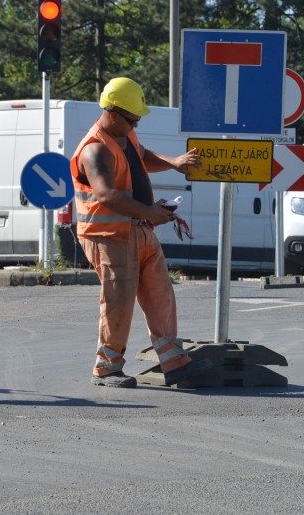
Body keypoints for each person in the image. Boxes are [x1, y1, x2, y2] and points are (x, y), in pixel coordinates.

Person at [70, 77, 213, 388]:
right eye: (132, 119)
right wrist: (150, 212)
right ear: (111, 113)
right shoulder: (94, 150)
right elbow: (107, 195)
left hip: (140, 229)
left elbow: (143, 155)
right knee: (118, 300)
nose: (136, 125)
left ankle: (174, 362)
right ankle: (106, 368)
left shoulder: (125, 136)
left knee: (160, 293)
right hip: (109, 237)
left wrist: (174, 162)